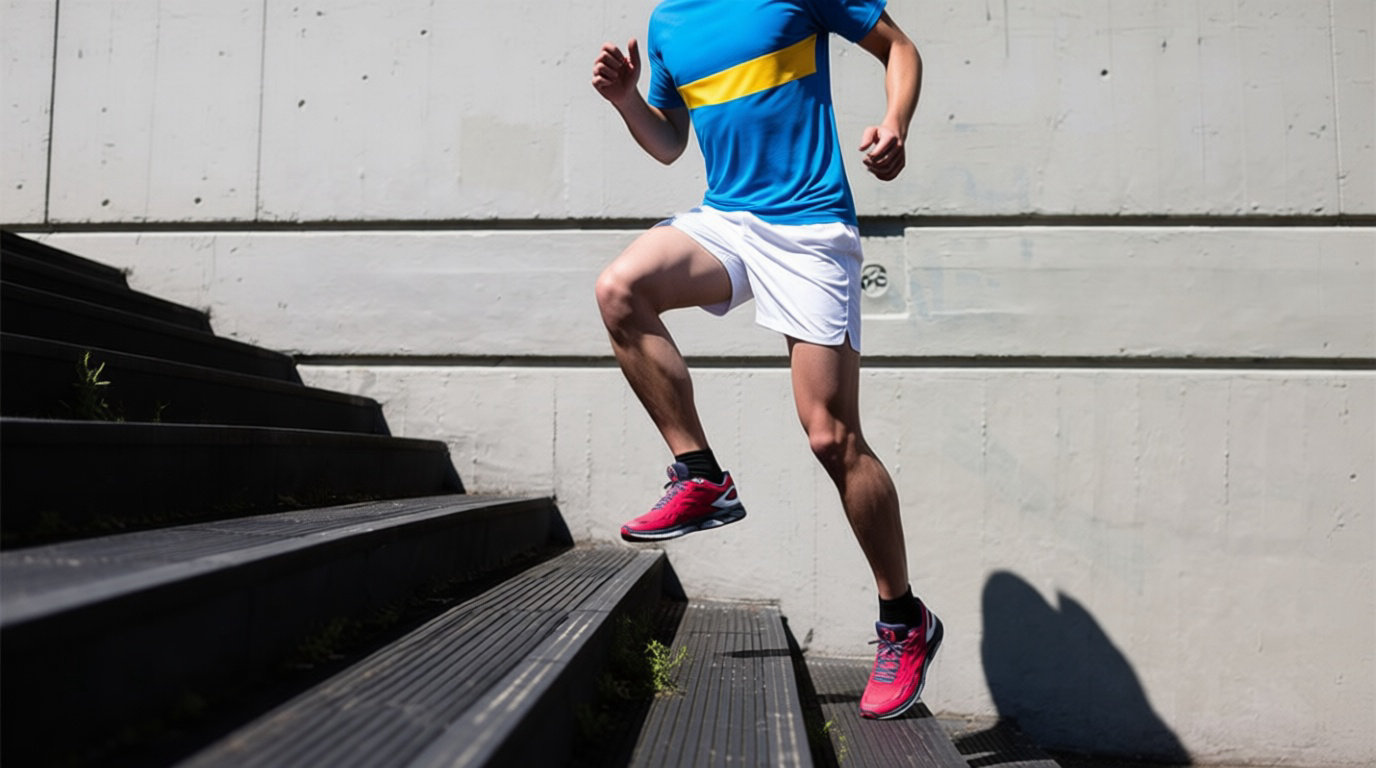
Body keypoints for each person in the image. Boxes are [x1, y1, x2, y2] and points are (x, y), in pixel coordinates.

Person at [591, 0, 940, 720]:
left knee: (830, 437)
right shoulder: (668, 25)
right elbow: (668, 144)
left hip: (810, 223)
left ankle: (904, 619)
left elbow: (899, 48)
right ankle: (700, 476)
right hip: (728, 219)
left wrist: (896, 121)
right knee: (620, 289)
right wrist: (628, 101)